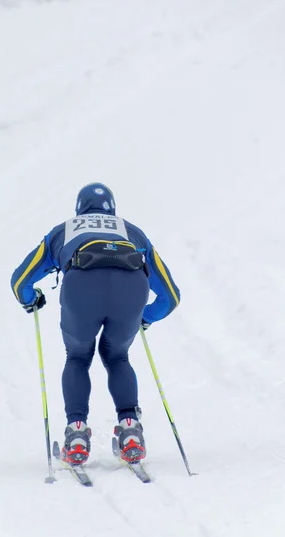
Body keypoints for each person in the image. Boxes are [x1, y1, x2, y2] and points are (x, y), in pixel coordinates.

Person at [11, 183, 180, 465]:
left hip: (81, 288)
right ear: (112, 208)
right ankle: (130, 432)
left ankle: (76, 434)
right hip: (131, 289)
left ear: (79, 208)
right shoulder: (132, 231)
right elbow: (170, 296)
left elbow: (20, 280)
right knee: (117, 356)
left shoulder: (63, 230)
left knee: (77, 357)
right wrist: (145, 317)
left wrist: (31, 299)